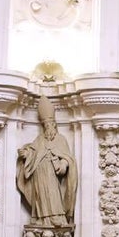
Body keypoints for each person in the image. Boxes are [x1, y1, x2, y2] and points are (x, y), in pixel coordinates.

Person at [16, 96, 78, 227]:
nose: (48, 128)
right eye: (45, 125)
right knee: (40, 195)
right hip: (39, 173)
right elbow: (32, 151)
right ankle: (41, 218)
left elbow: (67, 158)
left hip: (51, 172)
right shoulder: (40, 139)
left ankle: (57, 217)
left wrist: (63, 165)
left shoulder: (61, 139)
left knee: (52, 193)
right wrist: (26, 154)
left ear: (54, 125)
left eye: (50, 125)